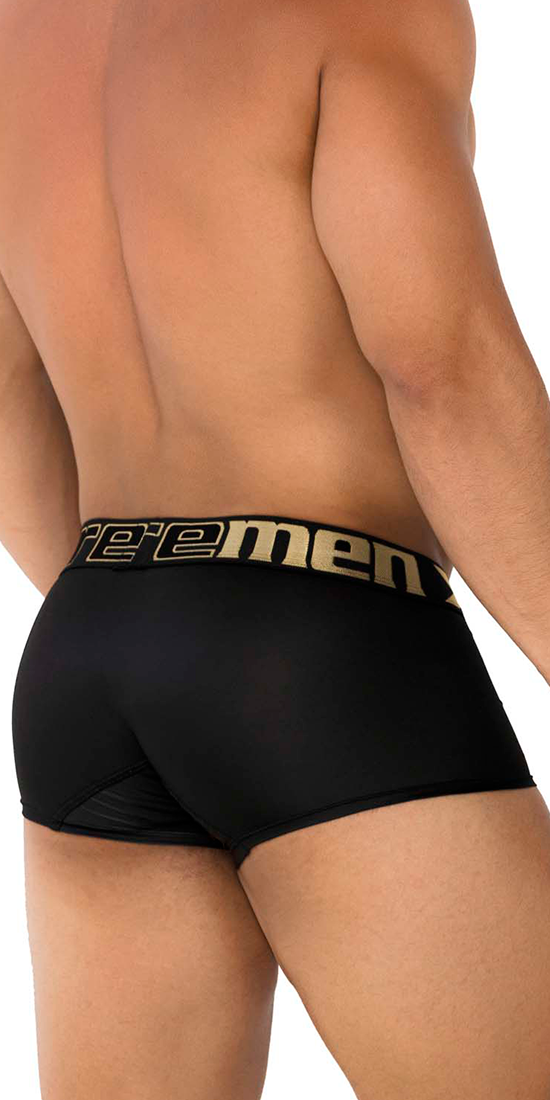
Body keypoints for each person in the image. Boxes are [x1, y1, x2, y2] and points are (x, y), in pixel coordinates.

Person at [1, 0, 549, 1095]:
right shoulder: (355, 8)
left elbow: (8, 401)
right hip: (318, 651)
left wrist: (159, 635)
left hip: (87, 652)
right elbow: (440, 365)